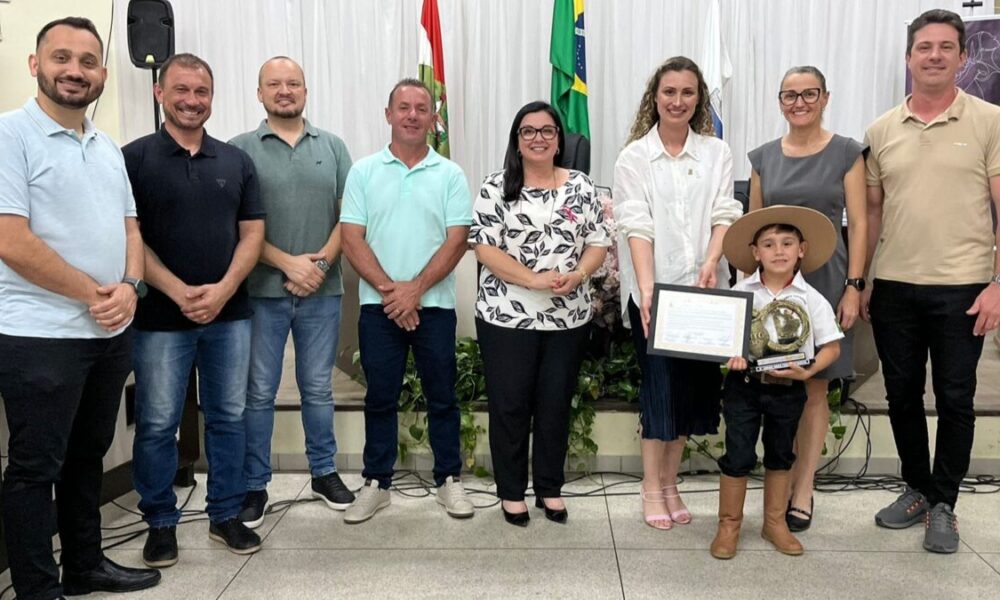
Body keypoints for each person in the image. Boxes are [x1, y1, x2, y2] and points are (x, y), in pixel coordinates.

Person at [0, 17, 161, 599]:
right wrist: (97, 293)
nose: (75, 70)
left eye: (88, 61)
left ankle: (86, 565)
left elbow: (130, 229)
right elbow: (10, 240)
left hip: (107, 330)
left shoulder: (105, 146)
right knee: (34, 469)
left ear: (101, 73)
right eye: (62, 58)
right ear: (35, 64)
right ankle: (38, 588)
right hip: (38, 336)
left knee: (87, 456)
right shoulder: (9, 135)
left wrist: (130, 287)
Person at [862, 9, 1000, 554]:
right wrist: (864, 281)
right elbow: (872, 215)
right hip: (894, 284)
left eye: (946, 47)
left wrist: (998, 282)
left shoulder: (990, 120)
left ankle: (945, 502)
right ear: (909, 57)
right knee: (900, 395)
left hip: (964, 287)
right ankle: (916, 488)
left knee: (956, 397)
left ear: (963, 57)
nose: (935, 55)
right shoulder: (882, 129)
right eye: (924, 47)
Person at [124, 53, 266, 566]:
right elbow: (128, 235)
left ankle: (225, 515)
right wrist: (176, 289)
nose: (191, 101)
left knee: (229, 417)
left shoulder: (235, 161)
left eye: (201, 92)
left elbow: (253, 234)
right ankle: (160, 522)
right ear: (161, 93)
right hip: (160, 319)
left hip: (229, 316)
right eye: (181, 90)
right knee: (159, 423)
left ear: (212, 97)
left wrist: (225, 287)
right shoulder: (132, 158)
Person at [613, 56, 742, 530]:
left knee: (689, 396)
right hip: (656, 295)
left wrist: (712, 260)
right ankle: (651, 487)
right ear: (655, 97)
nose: (678, 101)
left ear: (698, 100)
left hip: (706, 296)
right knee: (660, 392)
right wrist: (648, 290)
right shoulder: (634, 158)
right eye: (669, 92)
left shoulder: (716, 152)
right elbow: (636, 223)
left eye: (688, 93)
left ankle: (672, 484)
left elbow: (724, 212)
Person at [340, 78, 474, 524]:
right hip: (379, 309)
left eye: (422, 108)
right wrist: (392, 292)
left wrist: (415, 289)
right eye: (404, 107)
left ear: (434, 118)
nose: (413, 115)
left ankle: (448, 481)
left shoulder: (450, 174)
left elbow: (458, 240)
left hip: (434, 307)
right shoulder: (363, 171)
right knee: (380, 397)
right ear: (388, 113)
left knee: (442, 397)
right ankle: (376, 483)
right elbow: (351, 238)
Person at [470, 101, 610, 526]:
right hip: (506, 316)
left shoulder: (582, 186)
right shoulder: (496, 186)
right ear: (517, 140)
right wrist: (531, 279)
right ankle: (511, 492)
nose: (538, 138)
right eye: (528, 131)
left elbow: (598, 241)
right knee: (510, 406)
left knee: (554, 405)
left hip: (567, 316)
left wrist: (579, 273)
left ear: (559, 139)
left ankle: (549, 488)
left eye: (547, 131)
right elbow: (484, 247)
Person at [229, 56, 355, 528]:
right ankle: (254, 484)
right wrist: (288, 263)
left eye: (294, 83)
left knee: (317, 389)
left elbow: (349, 219)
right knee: (258, 392)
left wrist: (319, 264)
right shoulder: (239, 150)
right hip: (261, 292)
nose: (285, 91)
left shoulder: (334, 147)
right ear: (259, 93)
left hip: (323, 292)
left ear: (306, 91)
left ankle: (324, 473)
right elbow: (235, 225)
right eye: (274, 84)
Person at [747, 65, 867, 531]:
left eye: (809, 93)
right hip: (771, 281)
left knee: (815, 383)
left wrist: (854, 286)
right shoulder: (762, 158)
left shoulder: (847, 153)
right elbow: (751, 228)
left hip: (825, 279)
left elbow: (857, 223)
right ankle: (775, 478)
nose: (799, 102)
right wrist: (747, 295)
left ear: (825, 97)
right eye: (789, 95)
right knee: (771, 380)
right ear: (779, 102)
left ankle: (803, 487)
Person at [711, 205, 843, 559]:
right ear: (755, 253)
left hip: (789, 389)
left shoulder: (810, 299)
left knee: (781, 454)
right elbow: (726, 341)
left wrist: (810, 370)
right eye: (768, 244)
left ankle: (774, 523)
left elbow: (831, 346)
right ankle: (729, 525)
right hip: (744, 388)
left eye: (787, 243)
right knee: (737, 453)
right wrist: (732, 358)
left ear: (802, 249)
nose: (779, 251)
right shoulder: (742, 292)